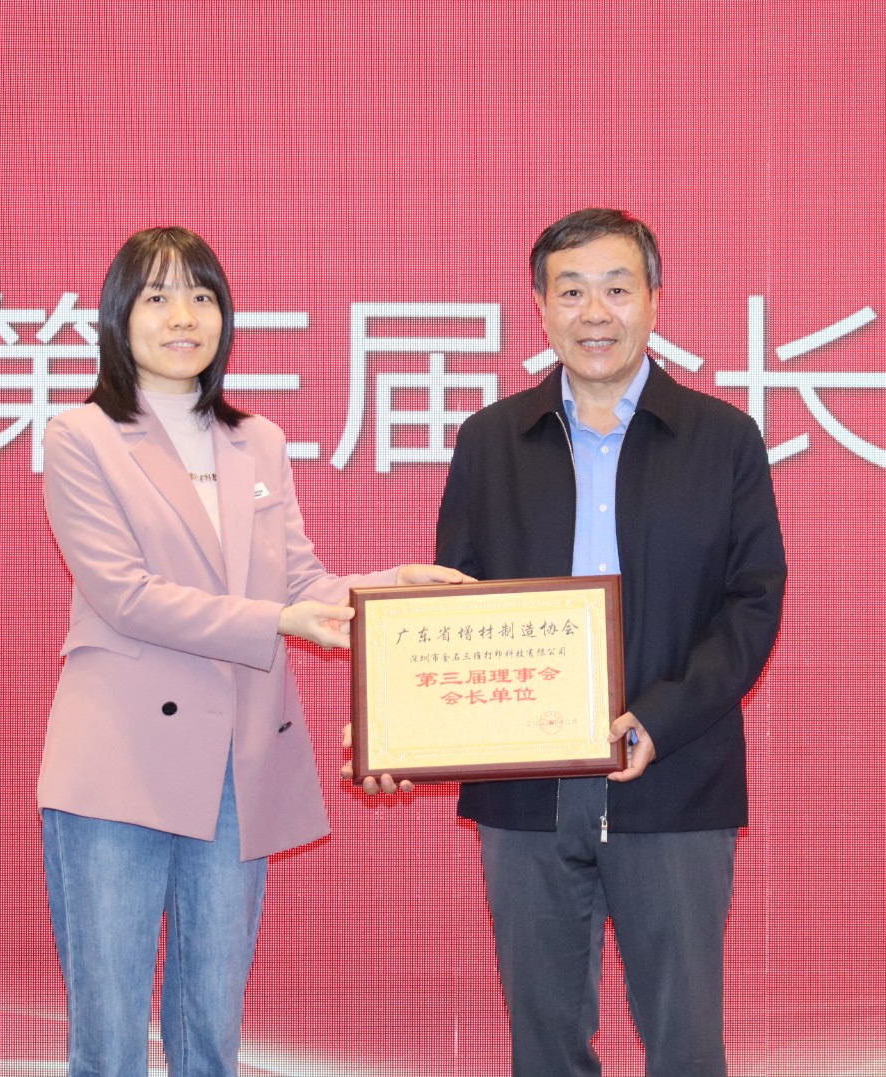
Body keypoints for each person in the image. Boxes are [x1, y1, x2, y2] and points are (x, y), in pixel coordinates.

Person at [39, 225, 467, 1077]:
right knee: (110, 1038)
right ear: (119, 317)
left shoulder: (256, 440)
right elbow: (126, 595)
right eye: (158, 297)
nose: (183, 316)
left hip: (236, 761)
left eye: (201, 296)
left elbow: (300, 579)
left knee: (212, 1028)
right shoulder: (81, 435)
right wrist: (278, 620)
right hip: (119, 759)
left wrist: (389, 591)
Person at [367, 208, 787, 1076]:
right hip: (525, 792)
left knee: (686, 1045)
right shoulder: (491, 441)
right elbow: (458, 612)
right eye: (571, 292)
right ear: (541, 306)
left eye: (617, 289)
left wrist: (659, 718)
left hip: (674, 780)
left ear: (655, 299)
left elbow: (752, 604)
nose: (596, 313)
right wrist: (404, 723)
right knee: (544, 1047)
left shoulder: (723, 439)